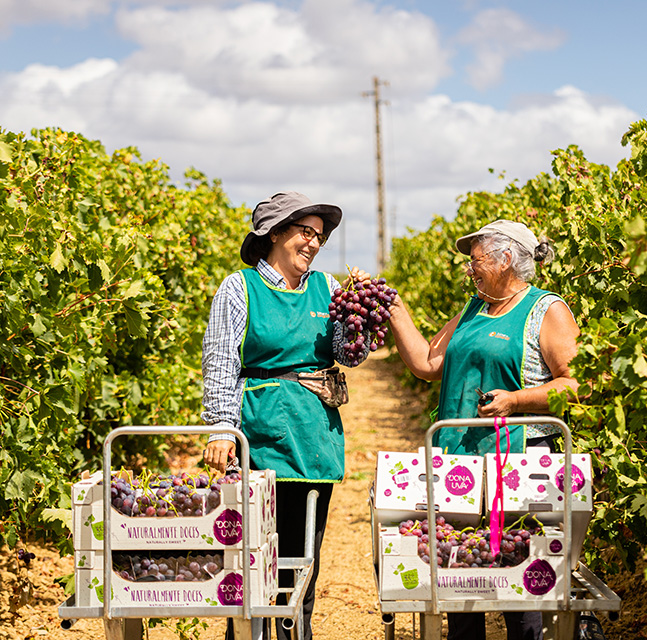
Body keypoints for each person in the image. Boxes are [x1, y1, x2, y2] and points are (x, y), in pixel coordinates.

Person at [386, 219, 580, 640]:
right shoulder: (474, 308)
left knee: (518, 578)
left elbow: (575, 383)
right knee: (460, 573)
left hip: (519, 465)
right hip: (459, 463)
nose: (468, 270)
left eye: (474, 260)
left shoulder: (546, 310)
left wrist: (516, 400)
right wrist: (394, 307)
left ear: (505, 258)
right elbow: (427, 364)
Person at [201, 191, 368, 640]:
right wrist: (220, 427)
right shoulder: (240, 288)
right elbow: (221, 361)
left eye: (319, 236)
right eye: (304, 232)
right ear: (274, 234)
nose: (313, 243)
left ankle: (298, 632)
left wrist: (360, 325)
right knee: (252, 561)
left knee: (303, 560)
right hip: (258, 436)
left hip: (314, 436)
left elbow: (347, 356)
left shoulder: (328, 288)